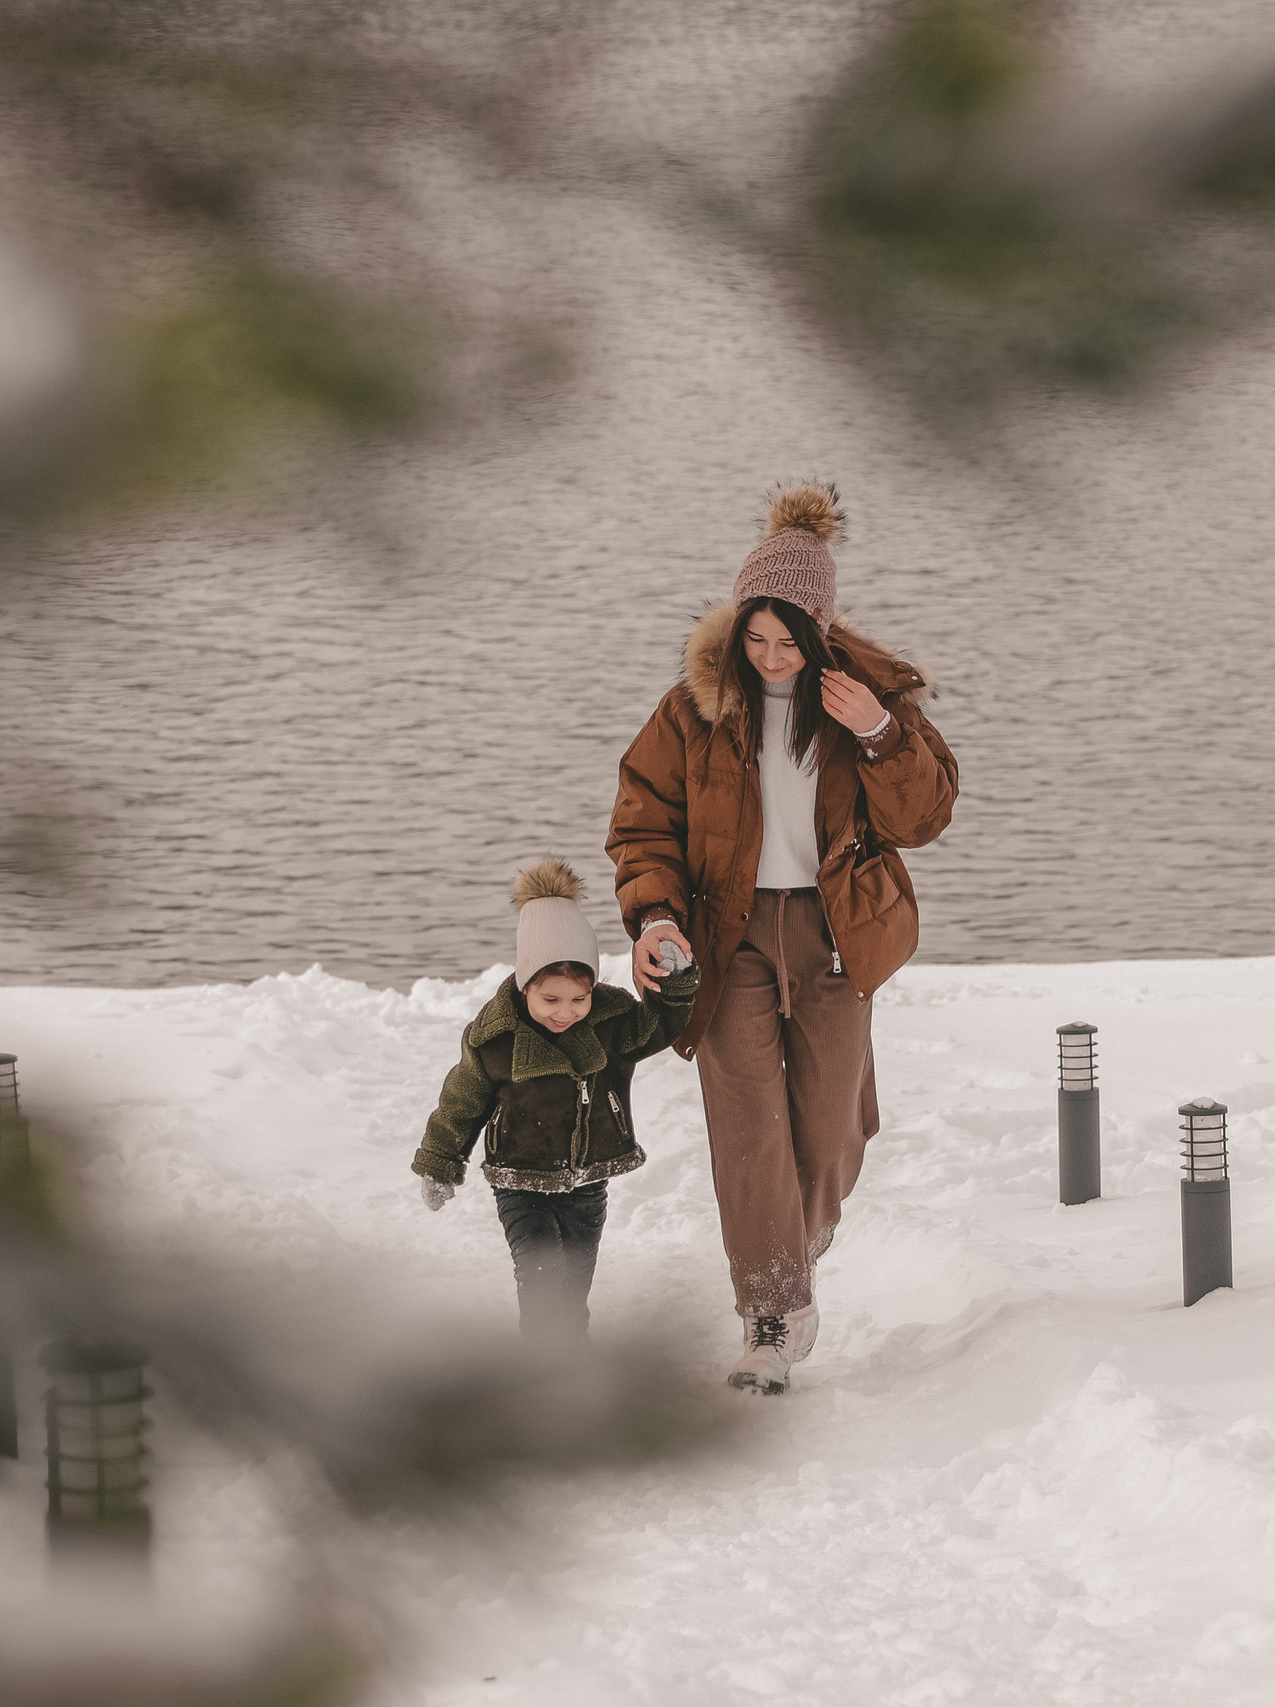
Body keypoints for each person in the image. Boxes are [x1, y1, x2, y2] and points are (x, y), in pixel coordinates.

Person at [608, 484, 959, 1393]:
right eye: (753, 639)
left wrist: (878, 734)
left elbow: (924, 819)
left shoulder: (863, 702)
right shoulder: (692, 709)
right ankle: (772, 1313)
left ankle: (794, 1246)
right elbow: (643, 824)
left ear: (819, 632)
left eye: (787, 642)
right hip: (729, 935)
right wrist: (654, 917)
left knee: (832, 1127)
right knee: (748, 1123)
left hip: (838, 932)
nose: (769, 658)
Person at [411, 858, 698, 1338]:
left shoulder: (611, 1025)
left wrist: (674, 984)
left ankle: (569, 1363)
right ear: (525, 986)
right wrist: (441, 1161)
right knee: (542, 1277)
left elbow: (659, 1028)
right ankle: (543, 1365)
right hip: (519, 1181)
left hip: (588, 1182)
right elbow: (462, 1101)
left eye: (577, 1000)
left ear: (592, 991)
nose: (565, 1012)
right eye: (550, 1000)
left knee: (574, 1283)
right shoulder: (495, 1039)